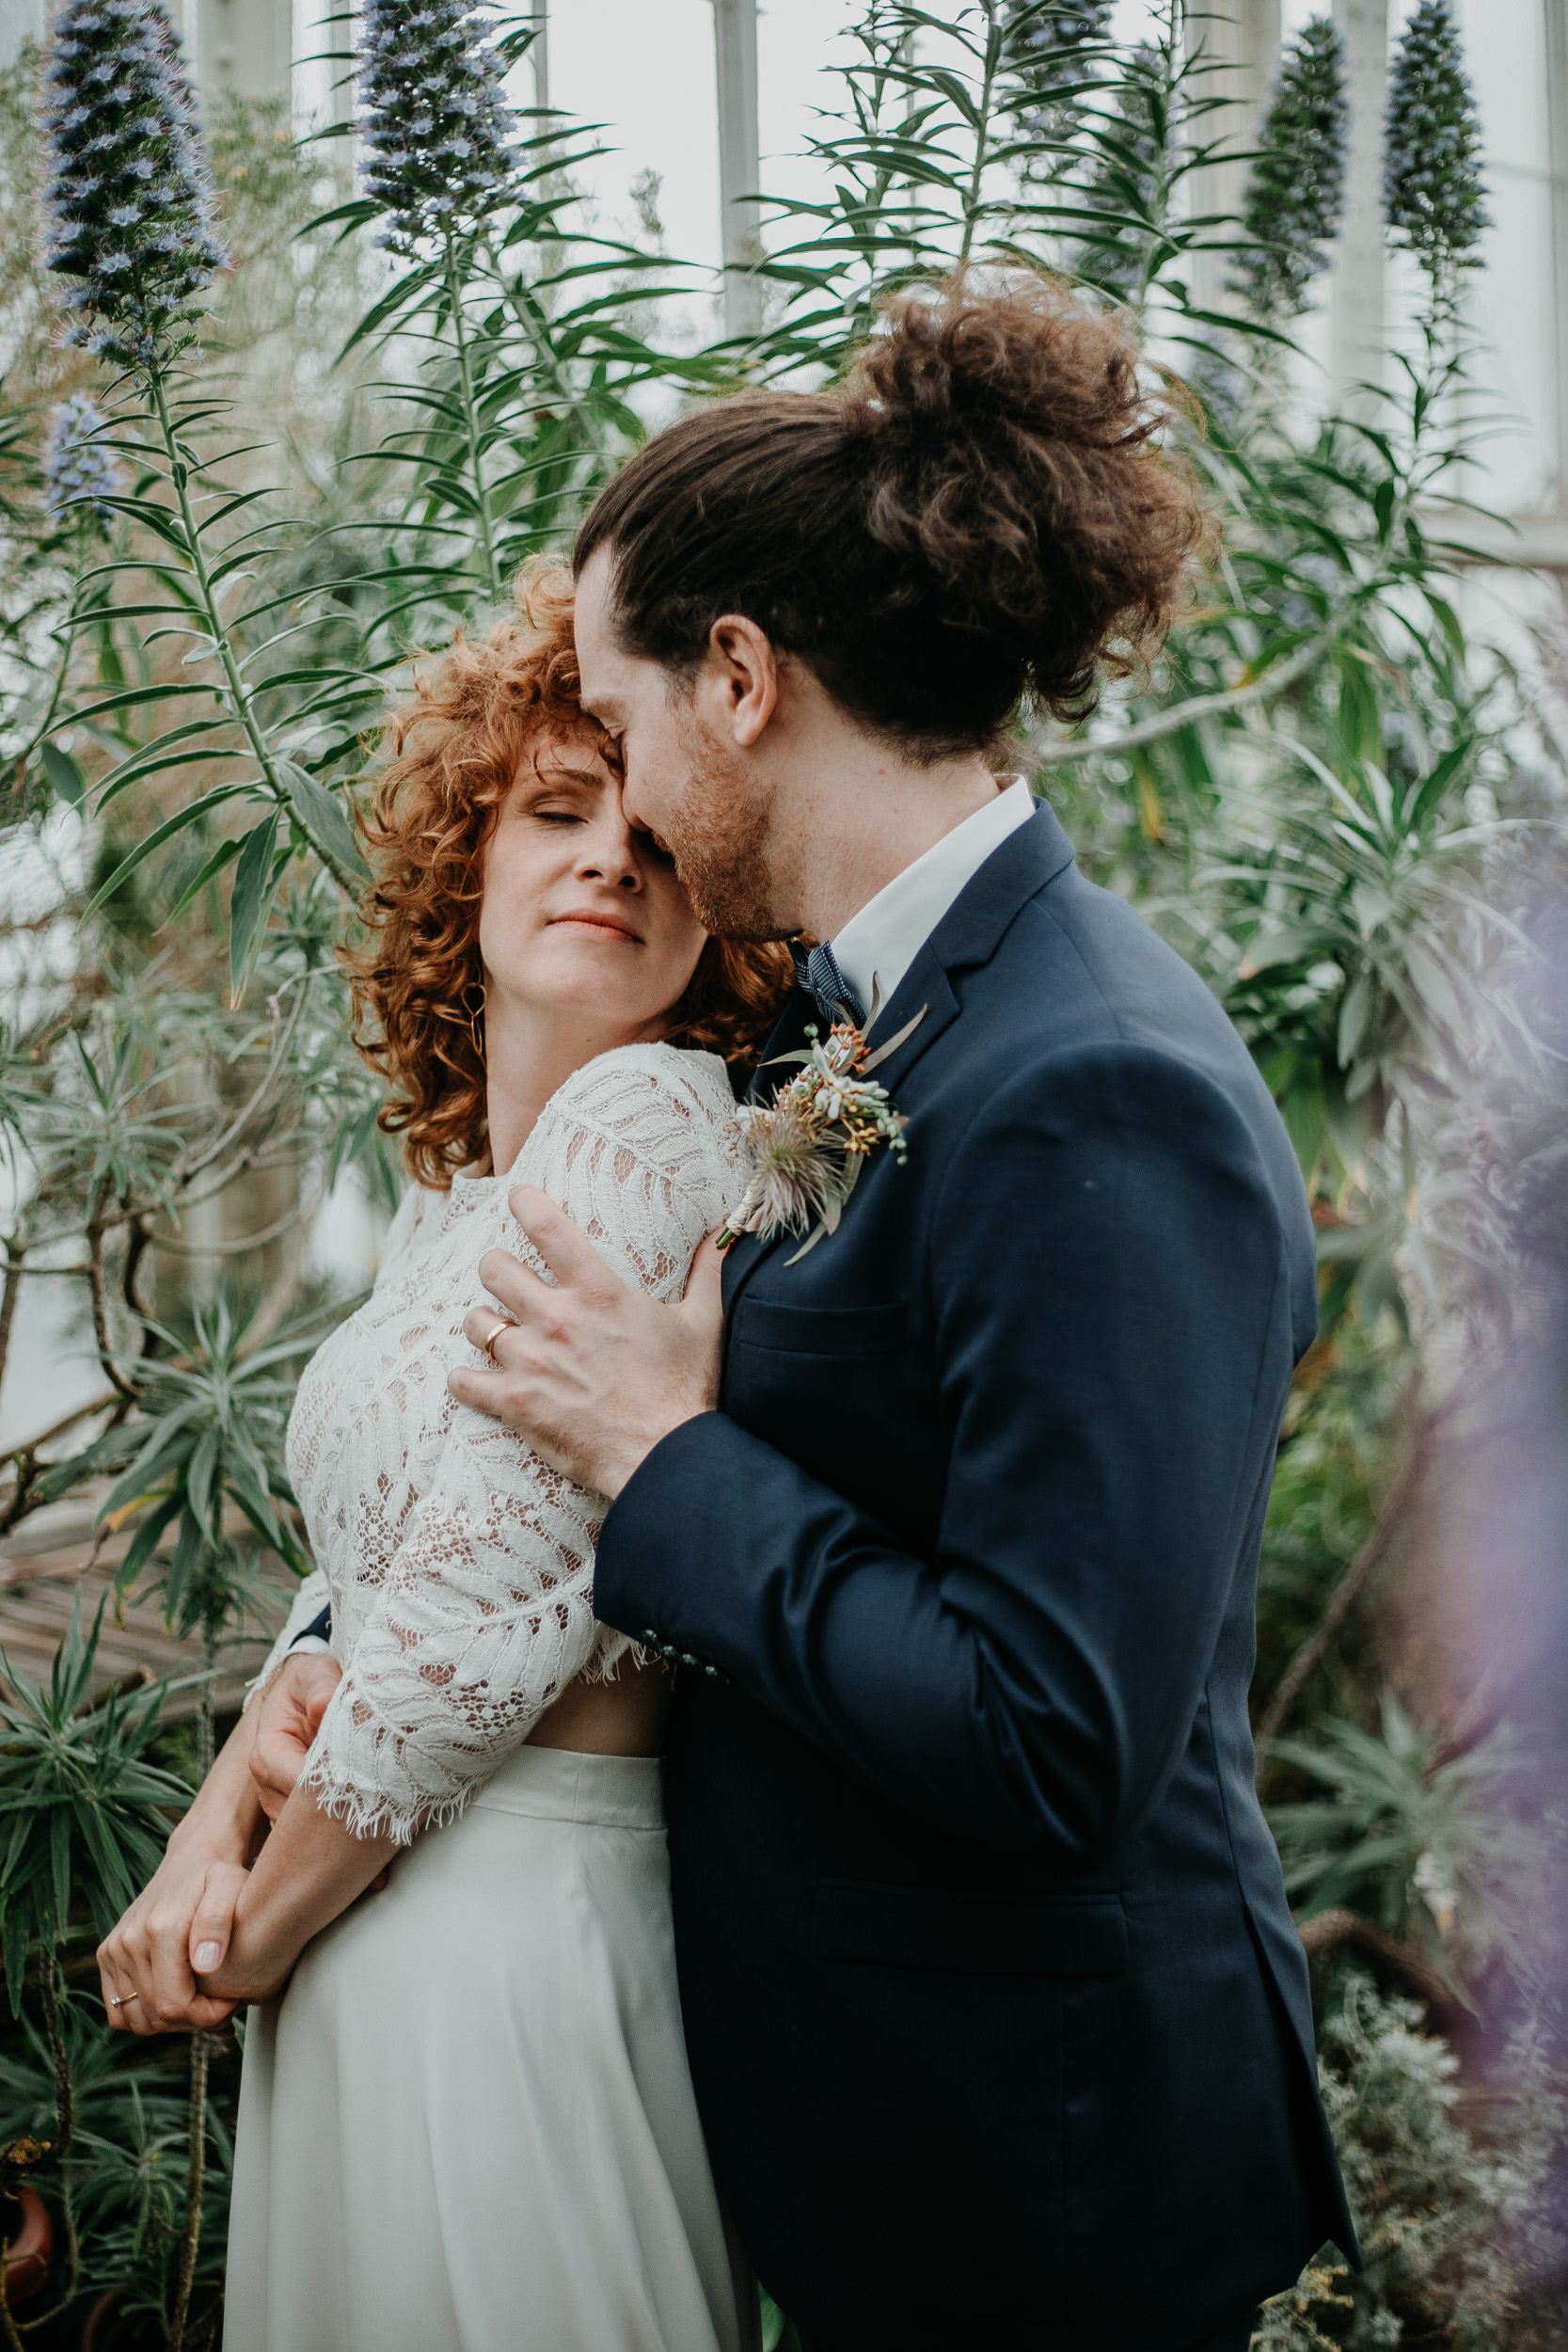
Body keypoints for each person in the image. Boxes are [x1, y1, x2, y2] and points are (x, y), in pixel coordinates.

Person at [443, 278, 1360, 2351]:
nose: (624, 797)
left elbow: (1052, 1732)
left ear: (740, 679)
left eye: (623, 720)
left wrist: (665, 1458)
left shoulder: (1090, 1080)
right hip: (889, 2157)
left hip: (1052, 2196)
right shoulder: (869, 1027)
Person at [96, 571, 790, 2352]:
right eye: (555, 813)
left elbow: (473, 1619)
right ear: (459, 867)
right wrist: (209, 1825)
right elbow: (362, 1582)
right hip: (382, 1912)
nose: (611, 859)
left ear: (720, 914)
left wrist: (245, 1930)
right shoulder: (460, 1204)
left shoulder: (653, 1128)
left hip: (510, 1925)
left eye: (657, 838)